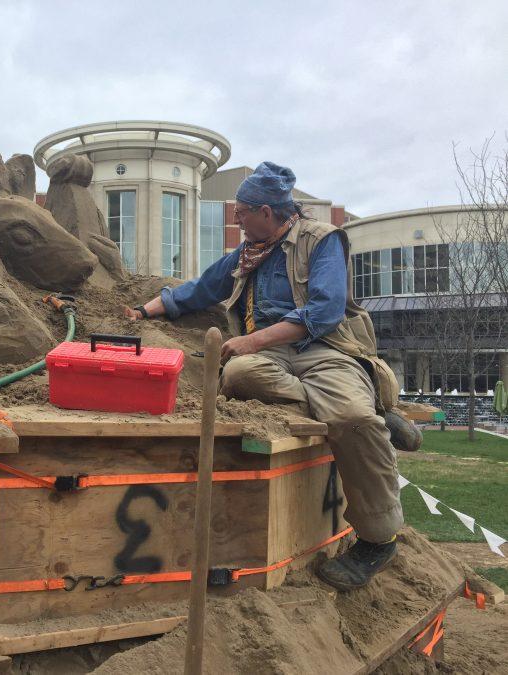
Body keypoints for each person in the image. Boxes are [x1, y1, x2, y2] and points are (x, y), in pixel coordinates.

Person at [125, 161, 405, 591]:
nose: (236, 220)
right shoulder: (246, 255)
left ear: (267, 212)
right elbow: (200, 289)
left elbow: (325, 311)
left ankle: (377, 539)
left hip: (324, 350)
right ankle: (365, 404)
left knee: (354, 422)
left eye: (242, 212)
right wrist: (144, 310)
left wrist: (254, 340)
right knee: (237, 375)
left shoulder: (321, 241)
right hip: (271, 361)